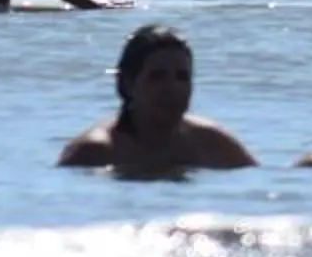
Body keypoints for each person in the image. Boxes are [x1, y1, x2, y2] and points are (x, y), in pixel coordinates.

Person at [58, 25, 255, 173]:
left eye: (182, 77)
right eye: (157, 77)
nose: (172, 88)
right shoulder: (96, 151)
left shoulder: (211, 142)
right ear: (127, 83)